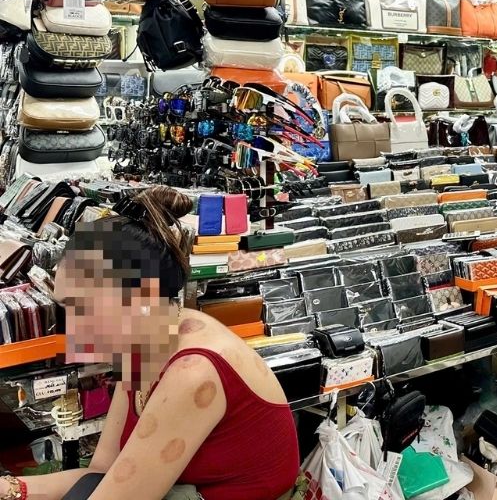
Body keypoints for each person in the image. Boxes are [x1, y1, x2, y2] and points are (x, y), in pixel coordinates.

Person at [2, 187, 300, 500]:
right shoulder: (148, 340)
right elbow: (101, 472)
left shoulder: (192, 371)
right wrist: (11, 489)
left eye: (84, 307)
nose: (74, 328)